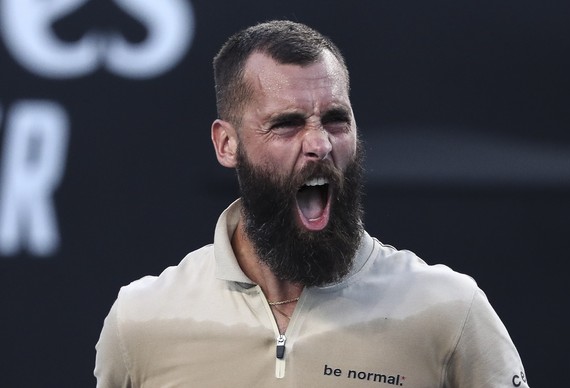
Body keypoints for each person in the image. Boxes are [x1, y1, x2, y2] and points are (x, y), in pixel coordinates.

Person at [94, 20, 530, 387]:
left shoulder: (449, 311)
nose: (320, 143)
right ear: (227, 144)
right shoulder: (143, 320)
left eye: (337, 120)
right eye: (287, 125)